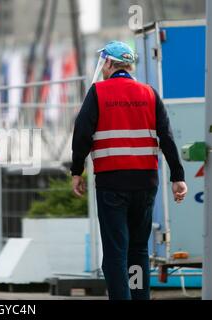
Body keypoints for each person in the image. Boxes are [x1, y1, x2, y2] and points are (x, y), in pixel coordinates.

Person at [71, 41, 188, 300]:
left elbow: (82, 134)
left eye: (103, 63)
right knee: (138, 250)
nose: (102, 68)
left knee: (115, 252)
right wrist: (178, 177)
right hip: (146, 184)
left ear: (110, 64)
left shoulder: (98, 93)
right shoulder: (149, 93)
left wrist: (76, 170)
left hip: (112, 183)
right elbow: (167, 137)